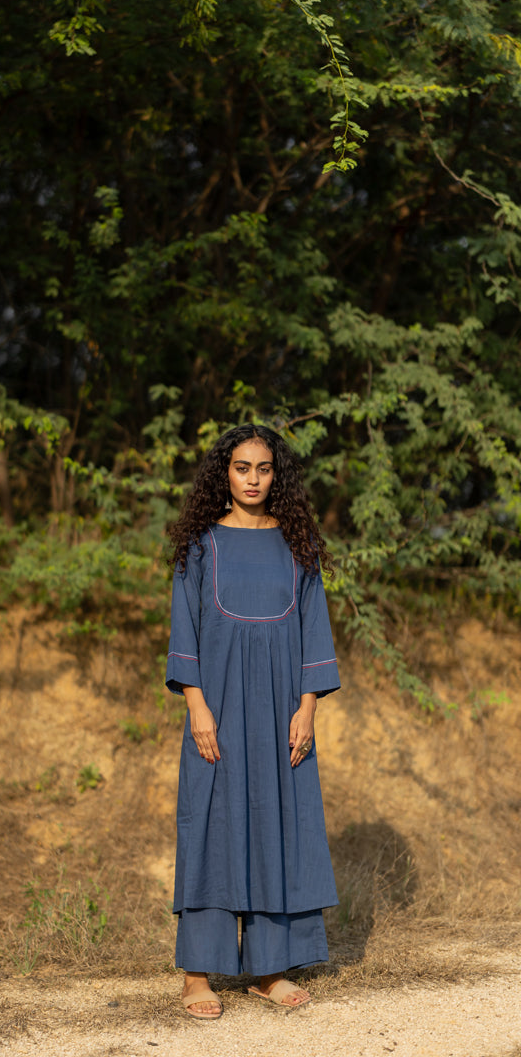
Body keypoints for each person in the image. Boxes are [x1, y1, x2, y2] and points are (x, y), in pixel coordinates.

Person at [166, 423, 340, 1020]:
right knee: (210, 827)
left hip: (282, 711)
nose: (253, 479)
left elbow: (314, 629)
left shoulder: (299, 546)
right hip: (216, 709)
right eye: (242, 468)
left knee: (276, 825)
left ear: (276, 476)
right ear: (225, 472)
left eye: (264, 469)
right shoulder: (200, 546)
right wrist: (197, 707)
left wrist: (307, 707)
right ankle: (197, 975)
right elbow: (184, 631)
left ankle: (269, 969)